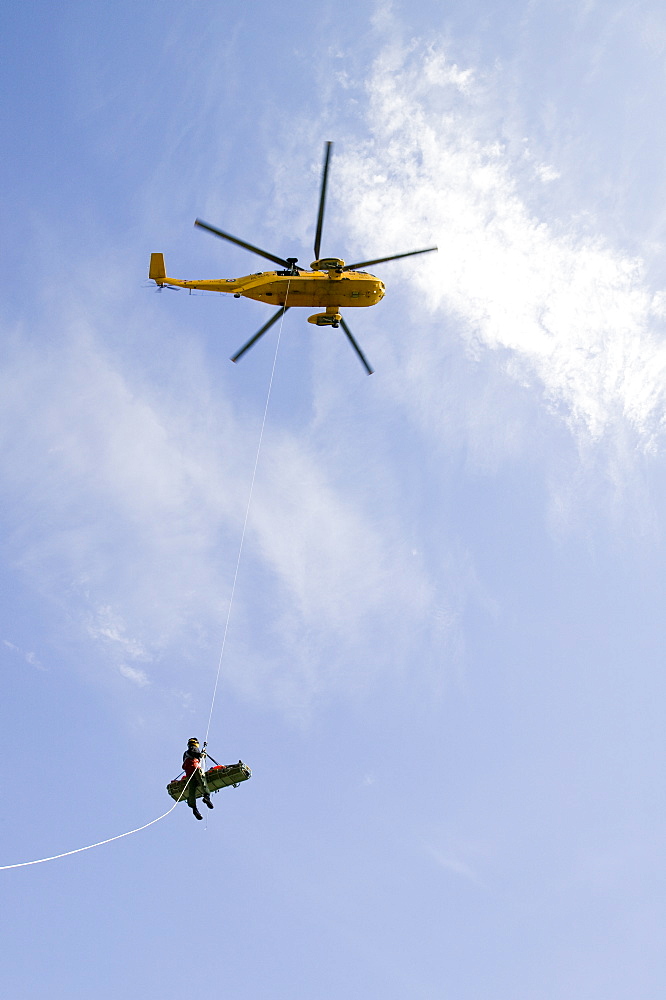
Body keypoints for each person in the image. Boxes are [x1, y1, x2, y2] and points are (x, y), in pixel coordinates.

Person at [182, 737, 214, 821]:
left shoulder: (184, 754)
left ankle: (194, 808)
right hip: (195, 767)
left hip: (188, 772)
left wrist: (200, 754)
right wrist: (200, 755)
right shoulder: (193, 748)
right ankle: (206, 797)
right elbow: (194, 752)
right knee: (202, 780)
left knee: (191, 789)